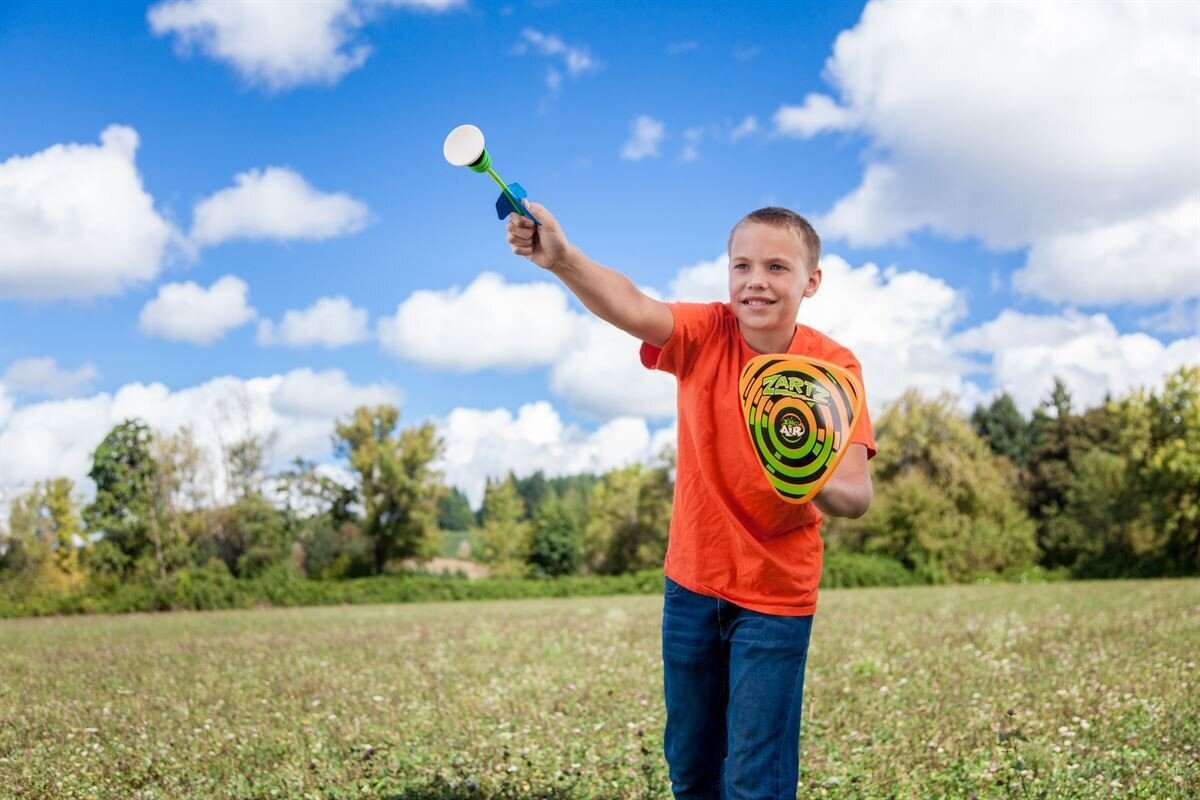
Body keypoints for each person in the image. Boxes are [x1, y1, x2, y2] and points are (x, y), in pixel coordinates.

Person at [506, 201, 876, 800]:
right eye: (742, 266)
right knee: (691, 767)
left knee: (755, 778)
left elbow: (856, 495)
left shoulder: (832, 367)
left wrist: (800, 463)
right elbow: (634, 306)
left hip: (776, 595)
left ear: (811, 282)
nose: (756, 280)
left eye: (777, 268)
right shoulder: (707, 333)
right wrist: (565, 262)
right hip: (693, 584)